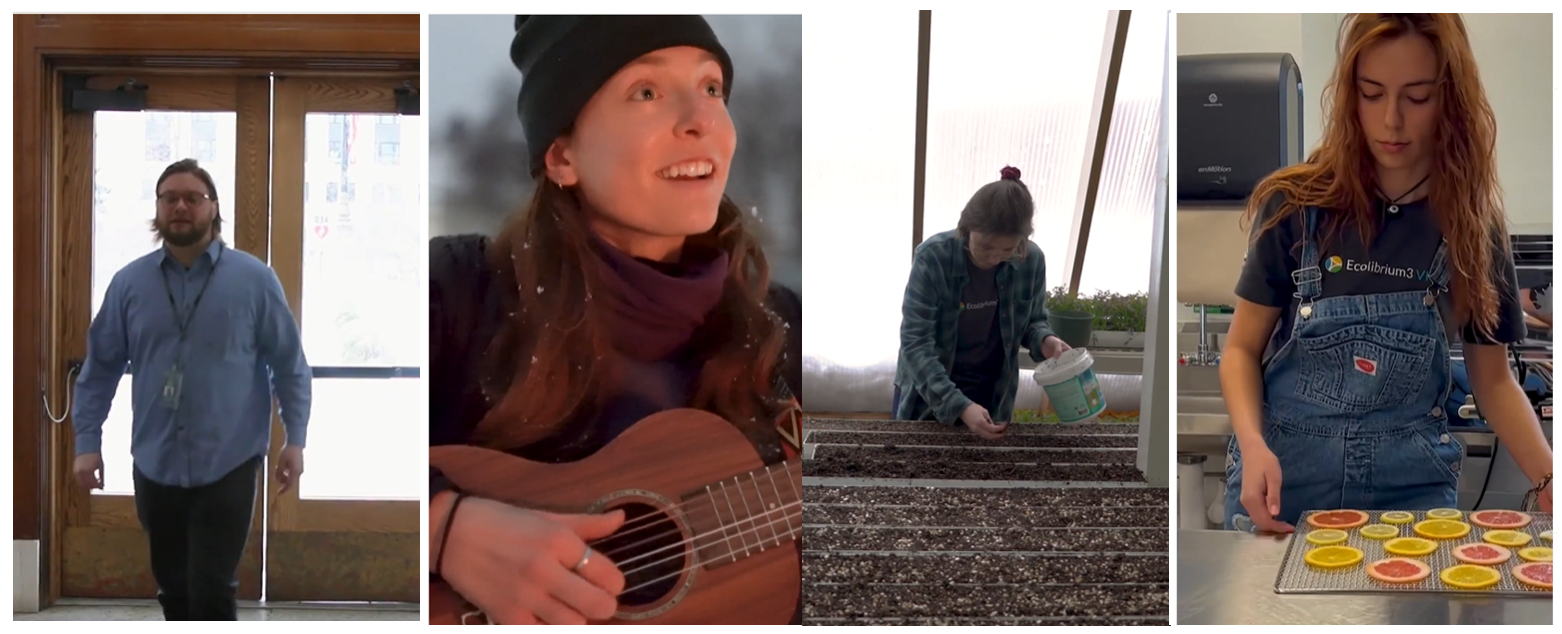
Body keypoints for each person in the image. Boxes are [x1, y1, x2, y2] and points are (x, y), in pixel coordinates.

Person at [426, 15, 803, 626]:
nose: (701, 120)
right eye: (646, 92)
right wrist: (443, 528)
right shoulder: (455, 292)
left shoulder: (782, 330)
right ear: (561, 155)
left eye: (711, 88)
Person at [1221, 13, 1553, 534]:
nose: (1391, 120)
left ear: (1451, 99)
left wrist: (1549, 478)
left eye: (1417, 97)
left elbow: (1493, 382)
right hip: (1284, 482)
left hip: (1411, 495)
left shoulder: (1470, 223)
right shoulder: (1296, 205)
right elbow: (1240, 350)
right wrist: (1252, 443)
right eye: (1372, 94)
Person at [71, 158, 313, 620]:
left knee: (211, 587)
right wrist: (87, 445)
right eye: (169, 198)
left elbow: (290, 366)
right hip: (155, 460)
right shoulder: (129, 285)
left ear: (213, 208)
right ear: (158, 210)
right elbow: (99, 370)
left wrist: (295, 439)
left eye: (193, 198)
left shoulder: (255, 281)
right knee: (173, 588)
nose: (180, 206)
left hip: (231, 459)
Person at [893, 166, 1071, 440]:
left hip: (992, 392)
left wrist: (1044, 340)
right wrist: (959, 405)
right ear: (966, 228)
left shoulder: (1031, 260)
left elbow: (1032, 321)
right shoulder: (933, 258)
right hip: (929, 391)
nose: (995, 257)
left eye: (1008, 250)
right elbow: (916, 343)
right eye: (986, 247)